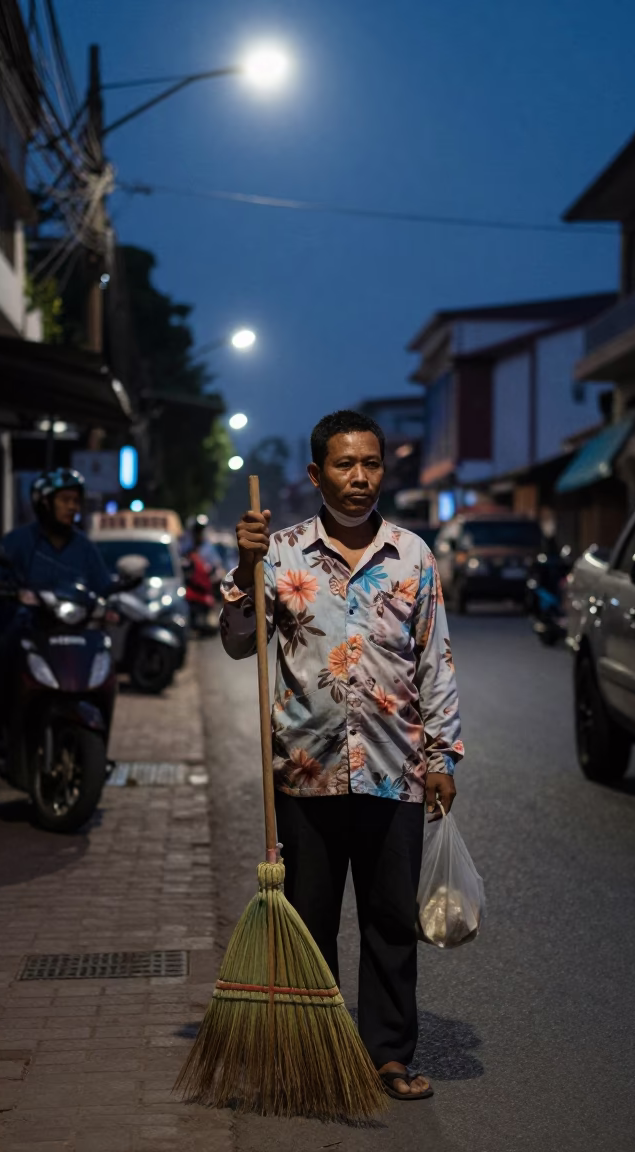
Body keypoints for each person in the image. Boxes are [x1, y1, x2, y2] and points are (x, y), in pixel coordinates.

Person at [220, 409, 463, 1102]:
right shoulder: (282, 552)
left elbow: (435, 662)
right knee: (310, 921)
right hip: (305, 772)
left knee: (391, 922)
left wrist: (444, 756)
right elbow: (239, 641)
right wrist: (244, 567)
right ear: (315, 474)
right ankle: (312, 1056)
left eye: (371, 465)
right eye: (345, 465)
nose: (360, 478)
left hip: (397, 772)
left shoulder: (413, 556)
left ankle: (388, 1054)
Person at [0, 468, 111, 731]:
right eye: (65, 500)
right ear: (44, 503)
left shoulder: (85, 547)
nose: (71, 507)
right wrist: (10, 590)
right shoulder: (19, 540)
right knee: (2, 659)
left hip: (73, 630)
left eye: (75, 501)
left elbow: (103, 585)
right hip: (27, 628)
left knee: (103, 662)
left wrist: (112, 606)